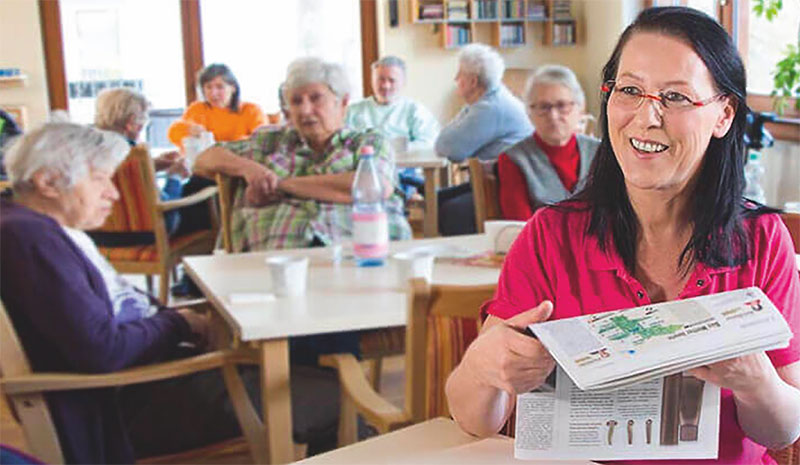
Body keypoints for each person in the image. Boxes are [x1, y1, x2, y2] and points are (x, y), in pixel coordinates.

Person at [445, 7, 800, 465]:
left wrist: (756, 381)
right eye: (630, 90)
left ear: (724, 115)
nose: (646, 117)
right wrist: (483, 365)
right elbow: (474, 419)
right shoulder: (550, 236)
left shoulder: (762, 240)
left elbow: (783, 429)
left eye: (675, 97)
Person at [0, 122, 340, 463]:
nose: (114, 194)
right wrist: (181, 323)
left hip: (144, 380)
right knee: (340, 396)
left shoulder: (40, 229)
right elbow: (101, 351)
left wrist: (181, 321)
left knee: (313, 374)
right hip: (131, 399)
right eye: (100, 178)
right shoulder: (31, 240)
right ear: (46, 182)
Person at [194, 57, 412, 253]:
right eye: (296, 101)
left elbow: (374, 186)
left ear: (343, 102)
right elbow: (203, 159)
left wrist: (280, 185)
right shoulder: (269, 142)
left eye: (316, 98)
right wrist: (249, 169)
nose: (305, 110)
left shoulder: (368, 142)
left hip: (359, 254)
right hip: (280, 261)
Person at [435, 44, 532, 235]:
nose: (456, 79)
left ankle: (467, 257)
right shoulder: (487, 100)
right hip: (495, 178)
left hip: (511, 186)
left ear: (472, 81)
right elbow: (446, 140)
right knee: (438, 199)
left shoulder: (490, 108)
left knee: (449, 209)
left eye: (459, 74)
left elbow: (448, 148)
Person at [497, 65, 599, 220]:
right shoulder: (513, 159)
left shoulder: (600, 152)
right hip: (541, 244)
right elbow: (520, 228)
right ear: (529, 113)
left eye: (562, 105)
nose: (553, 115)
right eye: (543, 107)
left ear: (580, 108)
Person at [92, 88, 188, 243]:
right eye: (144, 121)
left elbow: (118, 172)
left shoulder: (84, 147)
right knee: (196, 193)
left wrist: (152, 164)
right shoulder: (133, 151)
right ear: (131, 123)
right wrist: (175, 176)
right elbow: (166, 204)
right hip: (145, 234)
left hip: (97, 233)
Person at [346, 55, 440, 198]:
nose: (385, 86)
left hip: (402, 172)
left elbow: (429, 143)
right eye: (380, 79)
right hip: (361, 172)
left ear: (403, 82)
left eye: (391, 80)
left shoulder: (414, 110)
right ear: (372, 80)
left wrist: (399, 147)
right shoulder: (354, 110)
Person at [167, 63, 266, 148]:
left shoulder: (251, 110)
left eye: (220, 87)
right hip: (205, 166)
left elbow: (263, 141)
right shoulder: (197, 109)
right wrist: (189, 130)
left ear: (233, 88)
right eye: (208, 87)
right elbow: (173, 134)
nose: (213, 93)